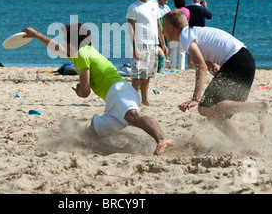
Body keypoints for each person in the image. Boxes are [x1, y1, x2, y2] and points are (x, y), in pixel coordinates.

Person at [22, 23, 175, 156]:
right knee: (93, 132)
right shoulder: (84, 51)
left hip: (118, 91)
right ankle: (137, 148)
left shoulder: (82, 54)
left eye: (65, 40)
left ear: (72, 42)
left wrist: (79, 91)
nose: (63, 43)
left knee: (133, 116)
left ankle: (161, 139)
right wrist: (36, 35)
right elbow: (56, 49)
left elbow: (85, 92)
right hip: (113, 100)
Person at [161, 9, 269, 149]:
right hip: (244, 62)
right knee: (215, 117)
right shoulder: (193, 33)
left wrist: (196, 98)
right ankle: (245, 146)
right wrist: (220, 80)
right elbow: (209, 64)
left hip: (237, 62)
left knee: (204, 108)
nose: (162, 32)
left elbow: (201, 67)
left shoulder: (185, 36)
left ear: (171, 28)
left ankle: (257, 108)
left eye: (163, 28)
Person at [126, 0, 167, 105]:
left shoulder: (154, 6)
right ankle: (134, 100)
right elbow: (130, 28)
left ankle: (144, 99)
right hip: (140, 44)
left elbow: (159, 25)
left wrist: (163, 44)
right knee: (137, 74)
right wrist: (134, 47)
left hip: (153, 44)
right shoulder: (134, 7)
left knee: (148, 74)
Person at [168, 0, 190, 71]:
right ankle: (181, 68)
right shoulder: (187, 11)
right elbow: (187, 21)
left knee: (174, 51)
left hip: (174, 33)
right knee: (182, 52)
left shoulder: (174, 11)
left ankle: (173, 68)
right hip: (184, 32)